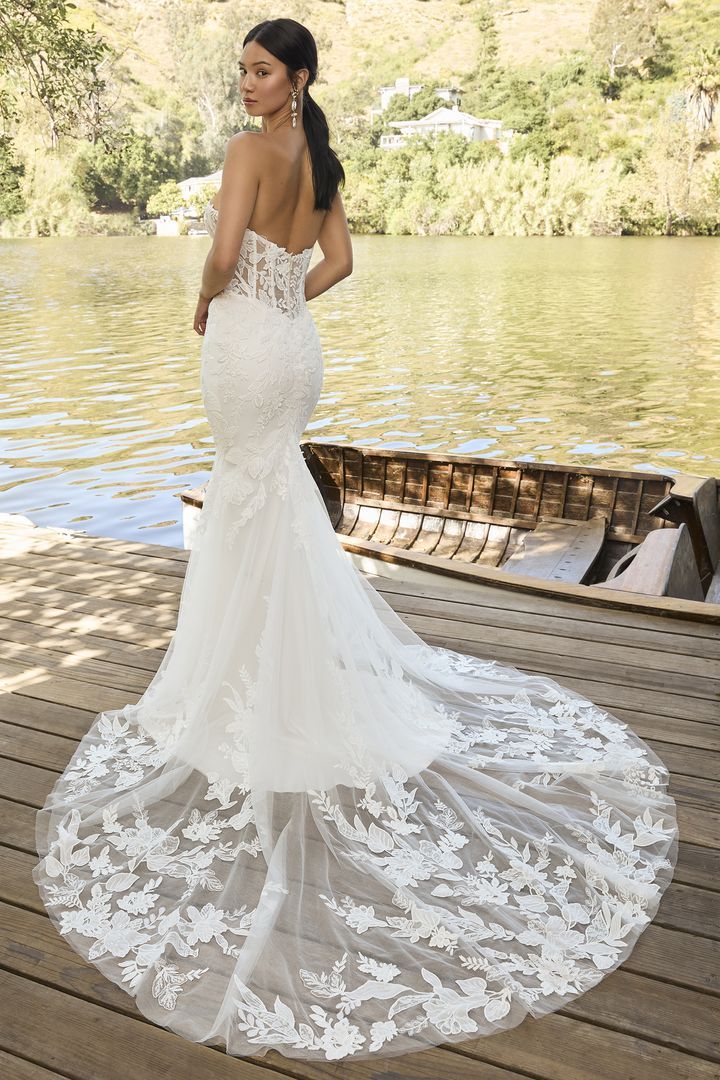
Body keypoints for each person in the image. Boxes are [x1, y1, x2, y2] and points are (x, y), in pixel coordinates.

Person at [32, 17, 679, 1065]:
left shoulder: (249, 153)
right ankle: (273, 671)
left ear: (295, 78)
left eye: (260, 71)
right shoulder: (321, 157)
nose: (246, 85)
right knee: (273, 504)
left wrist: (211, 300)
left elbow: (223, 254)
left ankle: (242, 682)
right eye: (242, 70)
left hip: (246, 345)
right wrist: (282, 298)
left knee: (249, 501)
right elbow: (337, 262)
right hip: (293, 347)